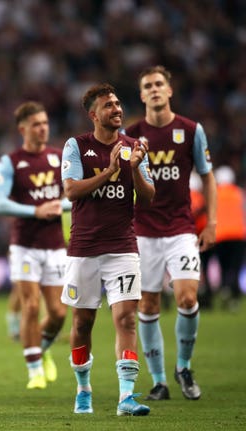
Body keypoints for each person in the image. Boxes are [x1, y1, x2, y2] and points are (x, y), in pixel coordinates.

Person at [60, 83, 154, 416]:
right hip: (84, 248)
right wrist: (111, 171)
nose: (116, 109)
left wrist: (131, 170)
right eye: (108, 105)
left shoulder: (134, 147)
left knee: (126, 319)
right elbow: (71, 191)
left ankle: (125, 397)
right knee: (83, 323)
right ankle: (83, 388)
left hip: (122, 247)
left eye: (117, 103)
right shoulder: (76, 146)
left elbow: (148, 197)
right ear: (93, 115)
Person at [125, 65, 217, 402]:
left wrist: (213, 222)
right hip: (143, 231)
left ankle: (184, 366)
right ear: (141, 94)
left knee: (188, 297)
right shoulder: (131, 135)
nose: (153, 89)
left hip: (181, 227)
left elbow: (207, 176)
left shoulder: (191, 130)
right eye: (147, 85)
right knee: (148, 304)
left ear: (170, 90)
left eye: (159, 83)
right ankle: (160, 381)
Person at [0, 101, 68, 390]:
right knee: (31, 306)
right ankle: (34, 368)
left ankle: (40, 350)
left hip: (56, 245)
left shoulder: (60, 158)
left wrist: (61, 205)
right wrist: (35, 211)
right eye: (36, 124)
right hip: (24, 245)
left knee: (59, 313)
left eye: (45, 123)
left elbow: (76, 196)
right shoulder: (11, 162)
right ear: (23, 129)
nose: (43, 128)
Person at [206, 166, 245, 311]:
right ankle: (234, 296)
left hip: (221, 236)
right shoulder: (239, 193)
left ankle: (224, 290)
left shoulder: (214, 194)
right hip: (238, 236)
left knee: (223, 267)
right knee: (234, 268)